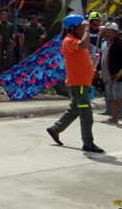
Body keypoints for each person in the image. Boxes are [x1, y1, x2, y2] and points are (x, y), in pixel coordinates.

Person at [46, 14, 104, 153]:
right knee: (86, 114)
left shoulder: (73, 39)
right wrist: (88, 30)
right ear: (72, 28)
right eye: (81, 28)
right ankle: (88, 143)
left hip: (82, 83)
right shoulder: (69, 40)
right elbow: (83, 44)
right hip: (78, 85)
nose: (83, 30)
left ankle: (55, 129)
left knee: (75, 109)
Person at [98, 22, 122, 124]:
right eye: (106, 31)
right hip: (107, 74)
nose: (107, 33)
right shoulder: (104, 43)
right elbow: (102, 57)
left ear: (115, 32)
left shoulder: (120, 44)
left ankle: (114, 117)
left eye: (109, 31)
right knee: (114, 96)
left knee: (116, 97)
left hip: (118, 74)